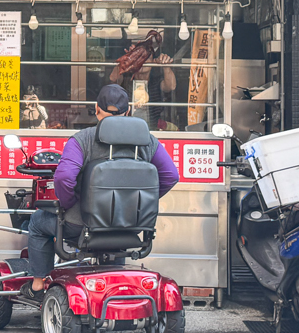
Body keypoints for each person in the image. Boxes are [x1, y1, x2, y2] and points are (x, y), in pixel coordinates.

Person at [21, 85, 180, 301]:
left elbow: (64, 178)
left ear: (96, 109)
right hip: (130, 225)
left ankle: (38, 285)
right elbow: (171, 175)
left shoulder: (83, 139)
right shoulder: (147, 141)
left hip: (81, 225)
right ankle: (115, 286)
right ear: (128, 111)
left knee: (37, 222)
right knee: (115, 235)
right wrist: (140, 204)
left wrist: (68, 206)